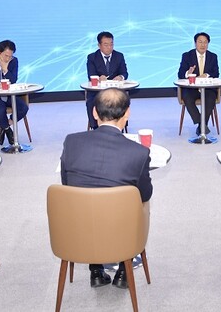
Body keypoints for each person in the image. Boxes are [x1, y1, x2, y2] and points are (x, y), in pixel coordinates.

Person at [60, 88, 152, 289]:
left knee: (87, 198)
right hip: (120, 230)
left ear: (94, 112)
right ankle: (123, 271)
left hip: (76, 228)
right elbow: (145, 194)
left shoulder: (71, 142)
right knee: (136, 204)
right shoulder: (139, 152)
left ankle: (95, 270)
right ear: (127, 113)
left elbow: (66, 183)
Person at [0, 40, 29, 146]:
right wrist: (0, 85)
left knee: (23, 108)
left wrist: (5, 69)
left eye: (10, 56)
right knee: (0, 109)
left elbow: (13, 80)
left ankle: (3, 126)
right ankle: (8, 130)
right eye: (6, 56)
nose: (8, 59)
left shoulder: (14, 61)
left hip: (9, 95)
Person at [178, 32, 219, 135]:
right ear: (195, 43)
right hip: (192, 89)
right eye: (200, 42)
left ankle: (201, 127)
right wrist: (188, 73)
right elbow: (180, 74)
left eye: (205, 42)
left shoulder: (213, 56)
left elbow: (216, 73)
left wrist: (206, 75)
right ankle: (202, 125)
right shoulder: (187, 56)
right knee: (187, 97)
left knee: (210, 98)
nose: (202, 45)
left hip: (208, 89)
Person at [86, 32, 128, 129]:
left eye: (111, 44)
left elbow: (124, 73)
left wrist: (120, 77)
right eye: (106, 45)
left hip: (115, 90)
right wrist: (99, 78)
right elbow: (91, 75)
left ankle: (120, 127)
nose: (109, 47)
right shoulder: (92, 57)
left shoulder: (119, 56)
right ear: (99, 45)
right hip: (98, 91)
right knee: (91, 102)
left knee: (122, 100)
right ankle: (96, 128)